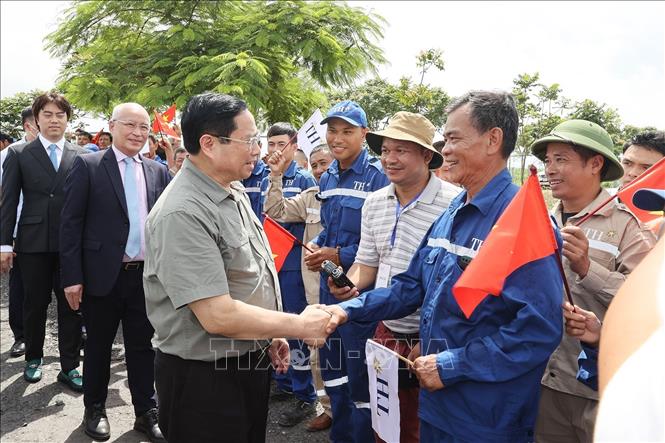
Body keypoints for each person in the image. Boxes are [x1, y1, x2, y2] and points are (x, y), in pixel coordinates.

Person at [322, 91, 564, 442]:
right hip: (437, 402)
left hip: (485, 414)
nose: (445, 150)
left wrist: (453, 365)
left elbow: (538, 329)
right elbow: (411, 287)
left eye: (453, 139)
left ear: (492, 139)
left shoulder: (523, 221)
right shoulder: (453, 212)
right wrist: (346, 310)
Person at [142, 92, 332, 443]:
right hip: (205, 378)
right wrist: (299, 325)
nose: (258, 150)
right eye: (249, 140)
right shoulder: (182, 212)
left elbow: (251, 271)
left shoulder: (232, 190)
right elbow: (217, 315)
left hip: (246, 360)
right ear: (209, 144)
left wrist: (269, 333)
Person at [328, 111, 459, 442]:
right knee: (386, 420)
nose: (389, 159)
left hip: (433, 336)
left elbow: (453, 283)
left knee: (425, 424)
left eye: (401, 150)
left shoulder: (453, 204)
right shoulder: (375, 203)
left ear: (427, 156)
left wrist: (431, 338)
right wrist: (350, 284)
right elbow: (367, 262)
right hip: (386, 330)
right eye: (385, 150)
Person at [530, 119, 656, 443]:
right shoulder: (539, 219)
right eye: (548, 160)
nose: (550, 169)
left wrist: (587, 268)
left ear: (595, 164)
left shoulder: (627, 226)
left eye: (561, 159)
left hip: (600, 389)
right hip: (546, 382)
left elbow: (645, 306)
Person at [60, 103, 170, 442]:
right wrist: (72, 277)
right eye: (130, 125)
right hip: (101, 275)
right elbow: (70, 223)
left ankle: (146, 411)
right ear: (112, 126)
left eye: (144, 127)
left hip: (145, 277)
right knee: (98, 347)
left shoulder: (157, 171)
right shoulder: (89, 165)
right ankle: (95, 408)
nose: (138, 132)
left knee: (143, 347)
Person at [303, 100, 390, 443]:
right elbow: (329, 227)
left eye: (347, 131)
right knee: (334, 374)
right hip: (330, 291)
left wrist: (339, 254)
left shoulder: (379, 177)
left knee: (361, 380)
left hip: (360, 296)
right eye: (332, 130)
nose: (337, 138)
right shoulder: (328, 176)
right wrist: (319, 246)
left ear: (364, 134)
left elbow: (384, 243)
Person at [0, 92, 84, 391]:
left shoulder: (82, 154)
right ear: (36, 119)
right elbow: (8, 202)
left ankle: (70, 366)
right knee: (34, 303)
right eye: (47, 114)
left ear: (67, 119)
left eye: (60, 114)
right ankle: (33, 358)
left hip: (71, 244)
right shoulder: (19, 153)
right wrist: (4, 245)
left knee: (72, 304)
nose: (54, 120)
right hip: (32, 242)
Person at [263, 142, 334, 432]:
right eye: (314, 165)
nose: (318, 170)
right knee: (316, 351)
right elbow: (275, 210)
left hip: (349, 284)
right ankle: (328, 408)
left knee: (347, 354)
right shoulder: (310, 197)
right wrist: (276, 175)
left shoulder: (361, 194)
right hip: (315, 287)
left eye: (324, 164)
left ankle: (350, 411)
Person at [260, 122, 318, 426]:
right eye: (271, 144)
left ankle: (305, 394)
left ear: (294, 147)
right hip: (270, 262)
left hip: (294, 264)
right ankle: (283, 383)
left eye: (281, 144)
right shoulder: (264, 176)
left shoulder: (305, 178)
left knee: (295, 330)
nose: (275, 150)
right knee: (274, 325)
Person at [1, 107, 38, 358]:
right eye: (43, 118)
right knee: (22, 287)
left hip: (58, 232)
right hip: (21, 232)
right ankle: (21, 336)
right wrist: (5, 240)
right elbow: (4, 199)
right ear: (29, 125)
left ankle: (74, 337)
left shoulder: (64, 151)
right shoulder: (9, 154)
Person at [241, 141, 270, 219]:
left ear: (260, 145)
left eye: (253, 143)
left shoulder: (268, 176)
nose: (252, 150)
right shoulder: (229, 177)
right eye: (246, 144)